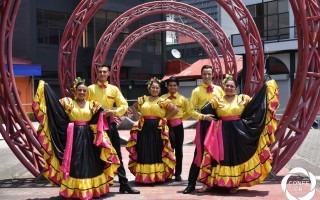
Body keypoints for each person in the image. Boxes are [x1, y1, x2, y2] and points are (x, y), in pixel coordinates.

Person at [32, 78, 120, 199]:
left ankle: (92, 190)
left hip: (88, 138)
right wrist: (46, 89)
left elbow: (104, 112)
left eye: (84, 91)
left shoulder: (92, 104)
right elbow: (54, 109)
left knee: (91, 163)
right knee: (75, 164)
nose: (82, 93)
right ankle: (73, 190)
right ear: (75, 91)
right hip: (73, 138)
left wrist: (114, 113)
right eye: (79, 90)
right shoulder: (68, 103)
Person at [197, 75, 279, 193]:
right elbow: (205, 109)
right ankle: (209, 183)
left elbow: (256, 106)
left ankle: (235, 184)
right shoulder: (217, 99)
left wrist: (265, 90)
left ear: (236, 88)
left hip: (239, 132)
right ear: (223, 87)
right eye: (227, 86)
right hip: (221, 132)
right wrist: (206, 116)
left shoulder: (243, 98)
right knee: (218, 157)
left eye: (232, 86)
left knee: (236, 157)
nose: (229, 88)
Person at [86, 65, 140, 194]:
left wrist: (113, 112)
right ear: (96, 74)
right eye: (100, 72)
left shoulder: (114, 89)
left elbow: (124, 105)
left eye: (105, 72)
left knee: (117, 154)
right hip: (94, 127)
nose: (102, 74)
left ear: (109, 73)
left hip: (110, 125)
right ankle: (98, 185)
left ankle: (124, 184)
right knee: (96, 154)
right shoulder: (90, 89)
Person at [126, 77, 178, 184]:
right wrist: (138, 118)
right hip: (144, 128)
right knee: (144, 150)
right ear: (149, 89)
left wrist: (164, 119)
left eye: (157, 88)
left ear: (159, 90)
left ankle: (157, 176)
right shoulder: (143, 99)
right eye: (153, 88)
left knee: (157, 150)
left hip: (157, 128)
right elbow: (133, 107)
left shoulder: (163, 100)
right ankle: (145, 176)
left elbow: (175, 110)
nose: (155, 90)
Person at [183, 65, 225, 194]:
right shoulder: (196, 91)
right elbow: (190, 110)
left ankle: (216, 182)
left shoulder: (219, 90)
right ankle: (191, 184)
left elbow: (224, 105)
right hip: (204, 125)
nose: (207, 76)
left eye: (209, 74)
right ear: (201, 76)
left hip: (217, 125)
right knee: (199, 154)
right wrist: (203, 117)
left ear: (213, 75)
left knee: (216, 153)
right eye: (204, 74)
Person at [160, 76, 190, 181]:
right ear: (167, 86)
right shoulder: (162, 98)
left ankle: (178, 173)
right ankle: (168, 172)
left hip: (178, 127)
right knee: (167, 149)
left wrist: (181, 119)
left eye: (174, 85)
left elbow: (189, 111)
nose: (172, 87)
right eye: (170, 85)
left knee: (179, 150)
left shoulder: (183, 99)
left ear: (178, 87)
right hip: (166, 126)